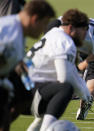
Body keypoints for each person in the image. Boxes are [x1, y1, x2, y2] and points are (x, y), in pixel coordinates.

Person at [26, 9, 92, 131]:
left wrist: (85, 92)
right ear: (71, 28)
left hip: (25, 85)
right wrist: (84, 94)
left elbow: (71, 71)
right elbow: (65, 77)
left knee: (46, 111)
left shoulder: (55, 34)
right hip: (25, 88)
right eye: (84, 29)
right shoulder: (64, 41)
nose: (85, 34)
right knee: (64, 88)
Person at [0, 1, 55, 131]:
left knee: (25, 94)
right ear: (35, 19)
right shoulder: (8, 31)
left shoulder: (18, 30)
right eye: (44, 24)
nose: (44, 30)